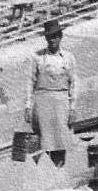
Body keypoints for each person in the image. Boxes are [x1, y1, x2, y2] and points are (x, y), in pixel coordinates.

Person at [24, 19, 77, 168]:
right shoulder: (38, 57)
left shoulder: (68, 57)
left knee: (61, 139)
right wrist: (28, 106)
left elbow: (74, 83)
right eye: (49, 37)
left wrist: (73, 108)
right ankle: (45, 171)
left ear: (60, 37)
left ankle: (59, 168)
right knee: (44, 140)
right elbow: (30, 82)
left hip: (61, 102)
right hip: (43, 102)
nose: (52, 40)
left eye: (55, 36)